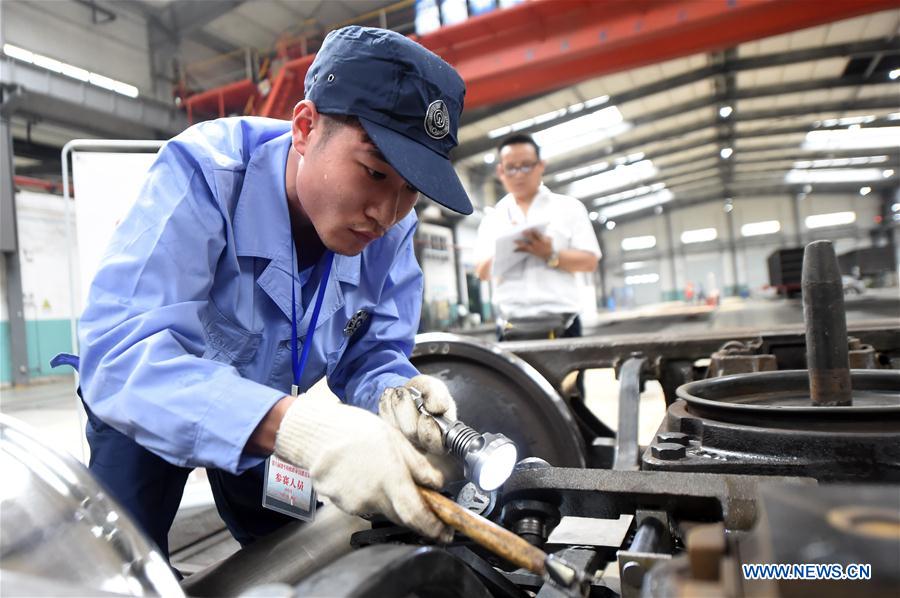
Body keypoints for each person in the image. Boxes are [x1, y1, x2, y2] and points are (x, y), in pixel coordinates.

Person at [65, 26, 473, 559]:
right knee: (123, 564)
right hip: (149, 401)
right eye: (374, 172)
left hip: (272, 409)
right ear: (305, 128)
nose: (385, 213)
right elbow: (122, 356)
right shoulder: (205, 173)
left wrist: (395, 395)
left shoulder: (390, 230)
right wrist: (299, 429)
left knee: (300, 554)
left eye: (409, 192)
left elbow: (373, 352)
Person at [475, 134, 601, 340]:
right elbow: (482, 272)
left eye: (526, 166)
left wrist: (550, 255)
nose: (518, 174)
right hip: (511, 323)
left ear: (541, 166)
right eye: (511, 168)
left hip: (563, 321)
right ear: (501, 171)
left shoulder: (569, 208)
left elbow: (589, 261)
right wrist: (508, 246)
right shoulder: (494, 217)